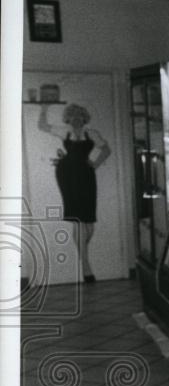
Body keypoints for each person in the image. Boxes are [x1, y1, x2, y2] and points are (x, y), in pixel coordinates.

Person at [38, 102, 112, 283]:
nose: (76, 118)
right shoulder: (64, 131)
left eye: (80, 115)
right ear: (68, 118)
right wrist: (44, 108)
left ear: (84, 118)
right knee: (77, 220)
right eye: (73, 115)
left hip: (86, 175)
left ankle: (82, 255)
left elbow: (106, 150)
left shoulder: (92, 133)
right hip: (67, 174)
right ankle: (85, 266)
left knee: (89, 222)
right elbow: (42, 126)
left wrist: (95, 164)